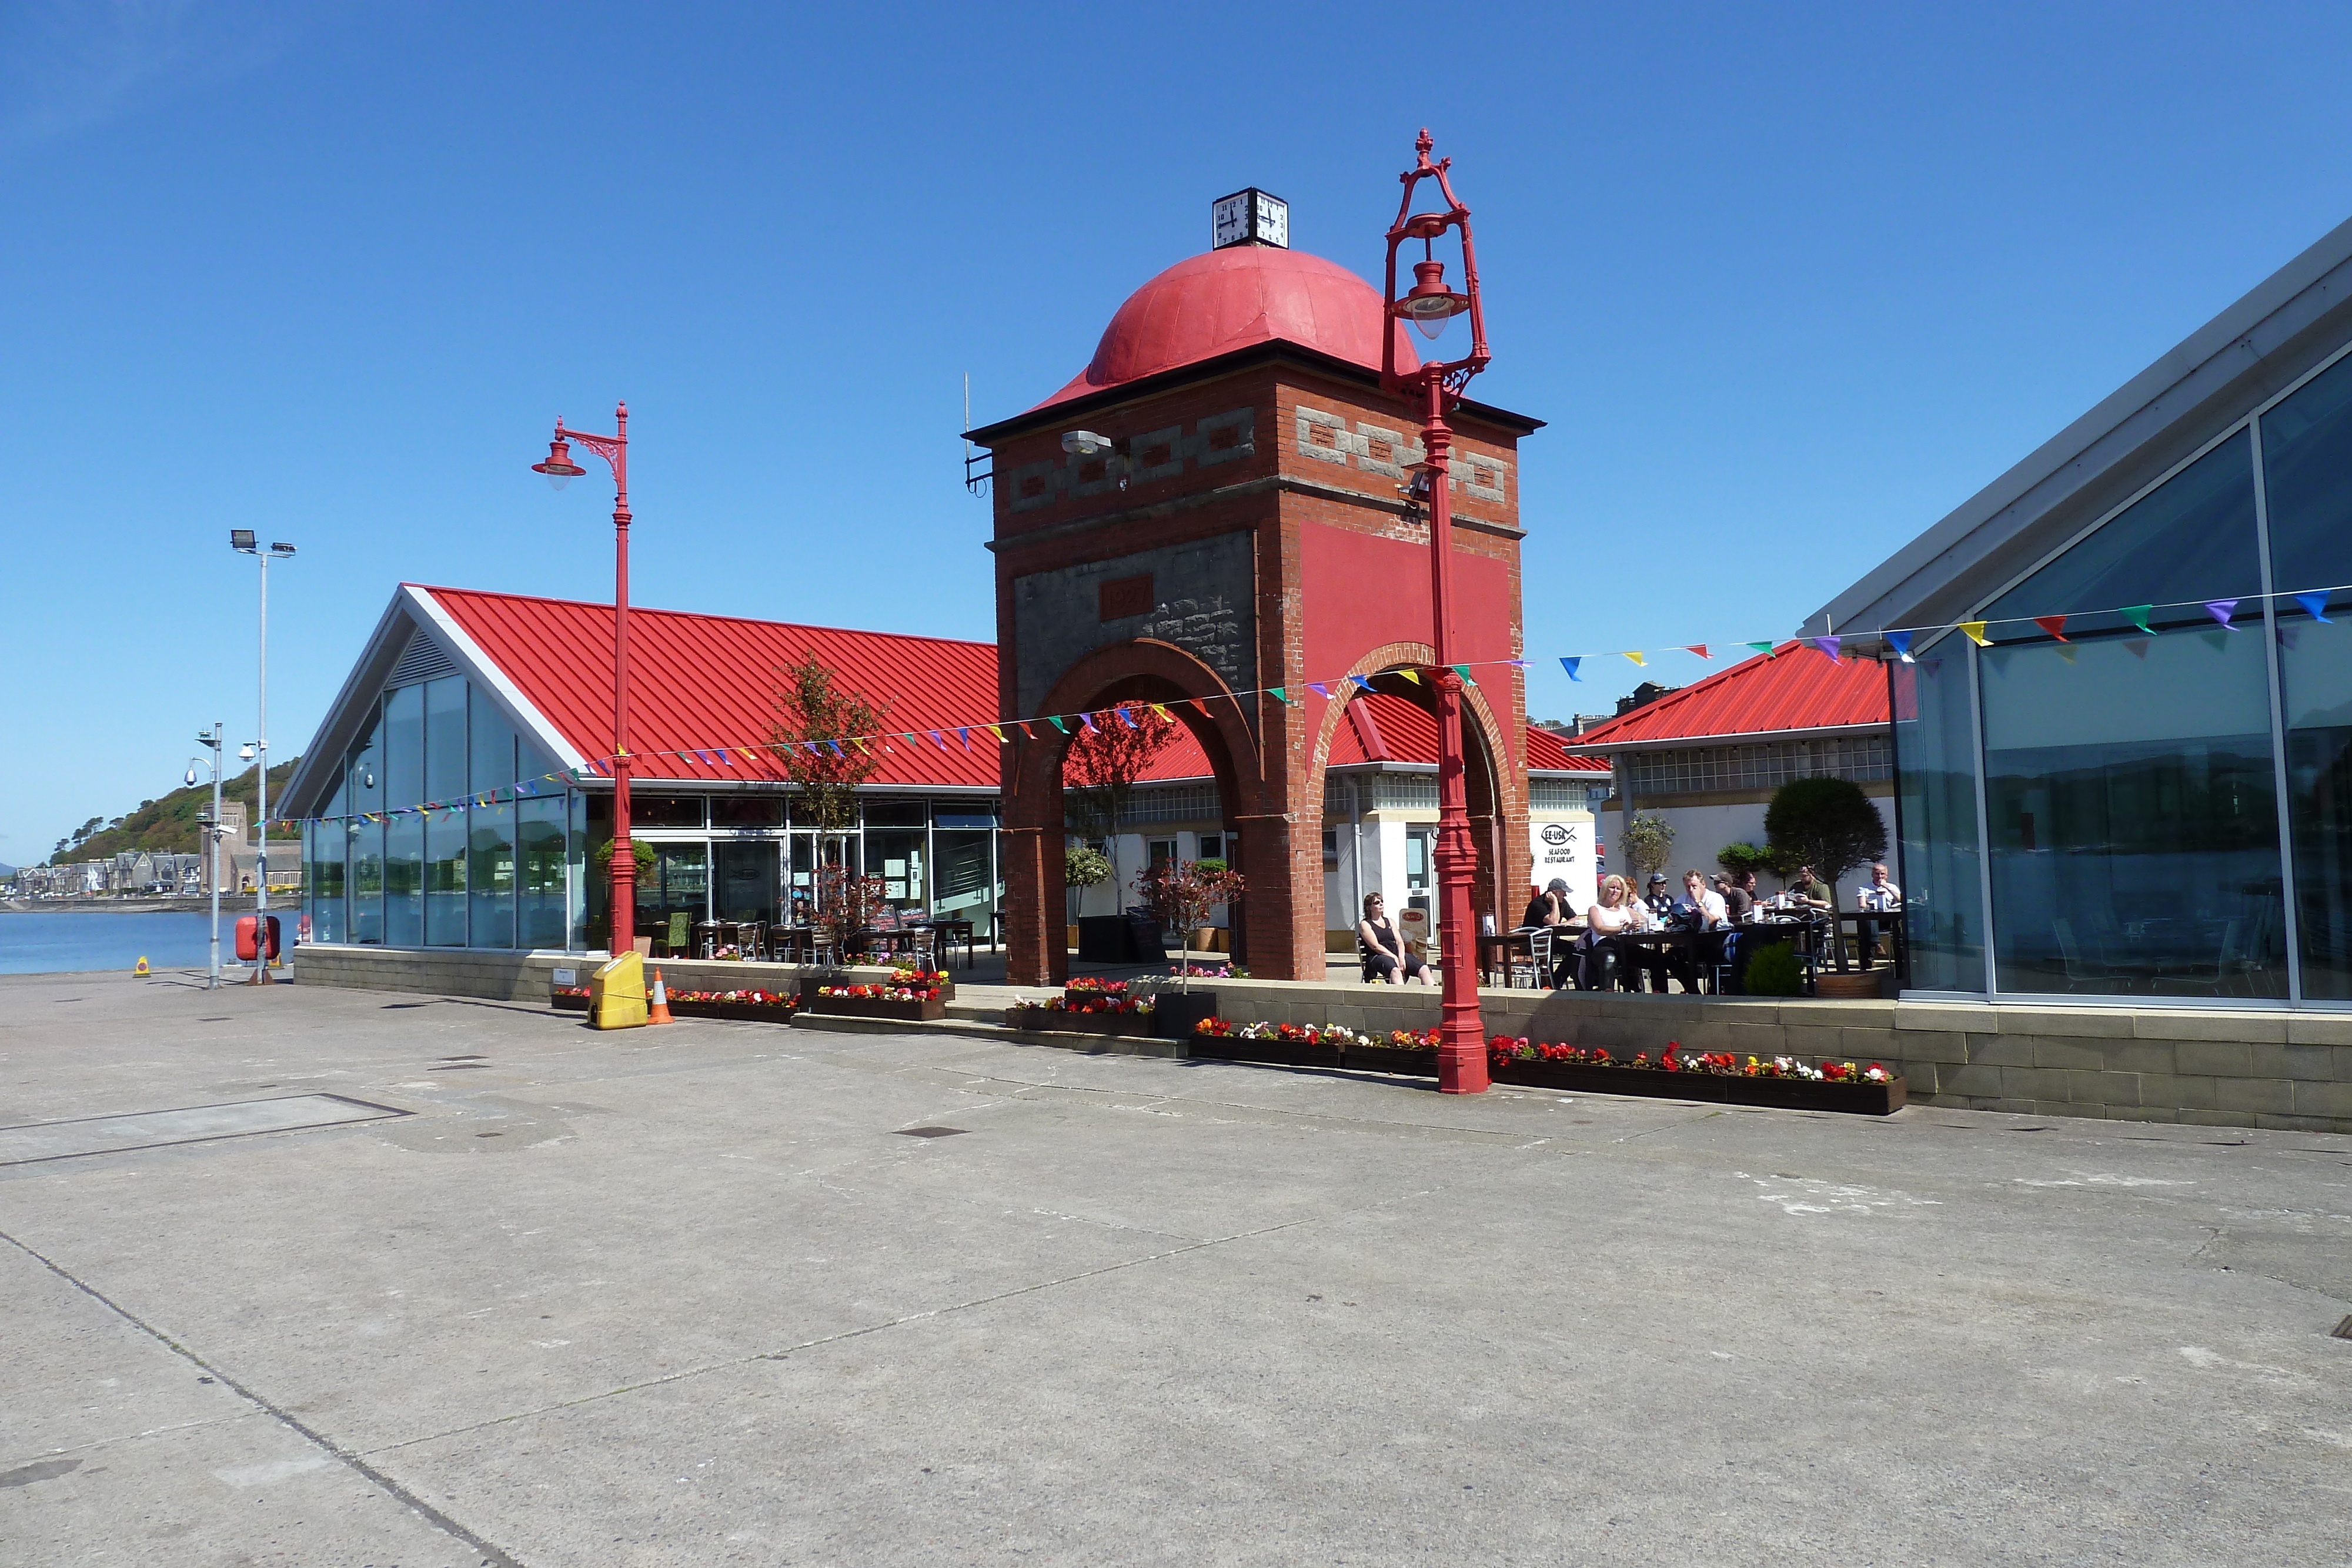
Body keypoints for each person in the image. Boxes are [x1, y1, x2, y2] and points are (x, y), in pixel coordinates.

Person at [1584, 874, 1670, 992]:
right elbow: (1599, 928)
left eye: (1618, 889)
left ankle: (1660, 995)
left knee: (1657, 958)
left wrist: (1639, 924)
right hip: (1604, 946)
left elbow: (1646, 919)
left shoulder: (1626, 909)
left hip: (1625, 945)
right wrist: (1623, 928)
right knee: (1610, 959)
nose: (1615, 891)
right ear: (1605, 889)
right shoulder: (1596, 909)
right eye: (1612, 887)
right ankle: (1606, 994)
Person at [1358, 892, 1431, 986]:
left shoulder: (1390, 921)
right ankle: (1401, 998)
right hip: (1378, 956)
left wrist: (1401, 957)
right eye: (1376, 903)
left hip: (1395, 953)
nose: (1381, 904)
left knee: (1424, 969)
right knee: (1395, 971)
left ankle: (1433, 996)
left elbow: (1399, 941)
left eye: (1382, 901)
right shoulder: (1365, 924)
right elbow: (1375, 946)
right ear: (1369, 907)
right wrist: (1394, 957)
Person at [1854, 862, 1903, 961]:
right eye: (1877, 874)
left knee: (1867, 927)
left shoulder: (1892, 887)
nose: (1880, 877)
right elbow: (1862, 905)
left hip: (1889, 919)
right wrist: (1869, 903)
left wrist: (1887, 887)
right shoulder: (1864, 888)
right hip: (1874, 919)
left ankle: (1876, 950)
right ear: (1872, 875)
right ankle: (1876, 946)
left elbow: (1901, 900)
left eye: (1882, 874)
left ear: (1887, 875)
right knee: (1867, 921)